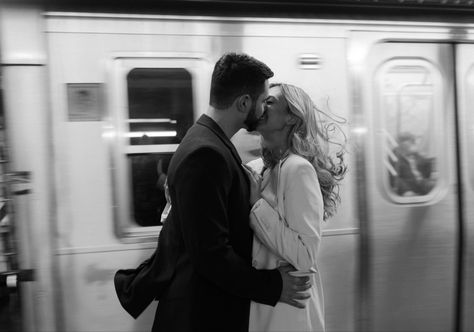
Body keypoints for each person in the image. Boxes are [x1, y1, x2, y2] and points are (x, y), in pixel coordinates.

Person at [151, 53, 312, 332]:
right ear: (244, 103)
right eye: (263, 101)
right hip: (200, 314)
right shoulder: (206, 153)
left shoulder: (210, 144)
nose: (263, 110)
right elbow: (211, 256)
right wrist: (273, 286)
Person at [245, 83, 347, 332]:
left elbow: (304, 255)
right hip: (268, 305)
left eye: (270, 102)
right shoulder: (258, 167)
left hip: (288, 314)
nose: (261, 106)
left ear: (291, 117)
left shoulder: (297, 168)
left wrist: (257, 205)